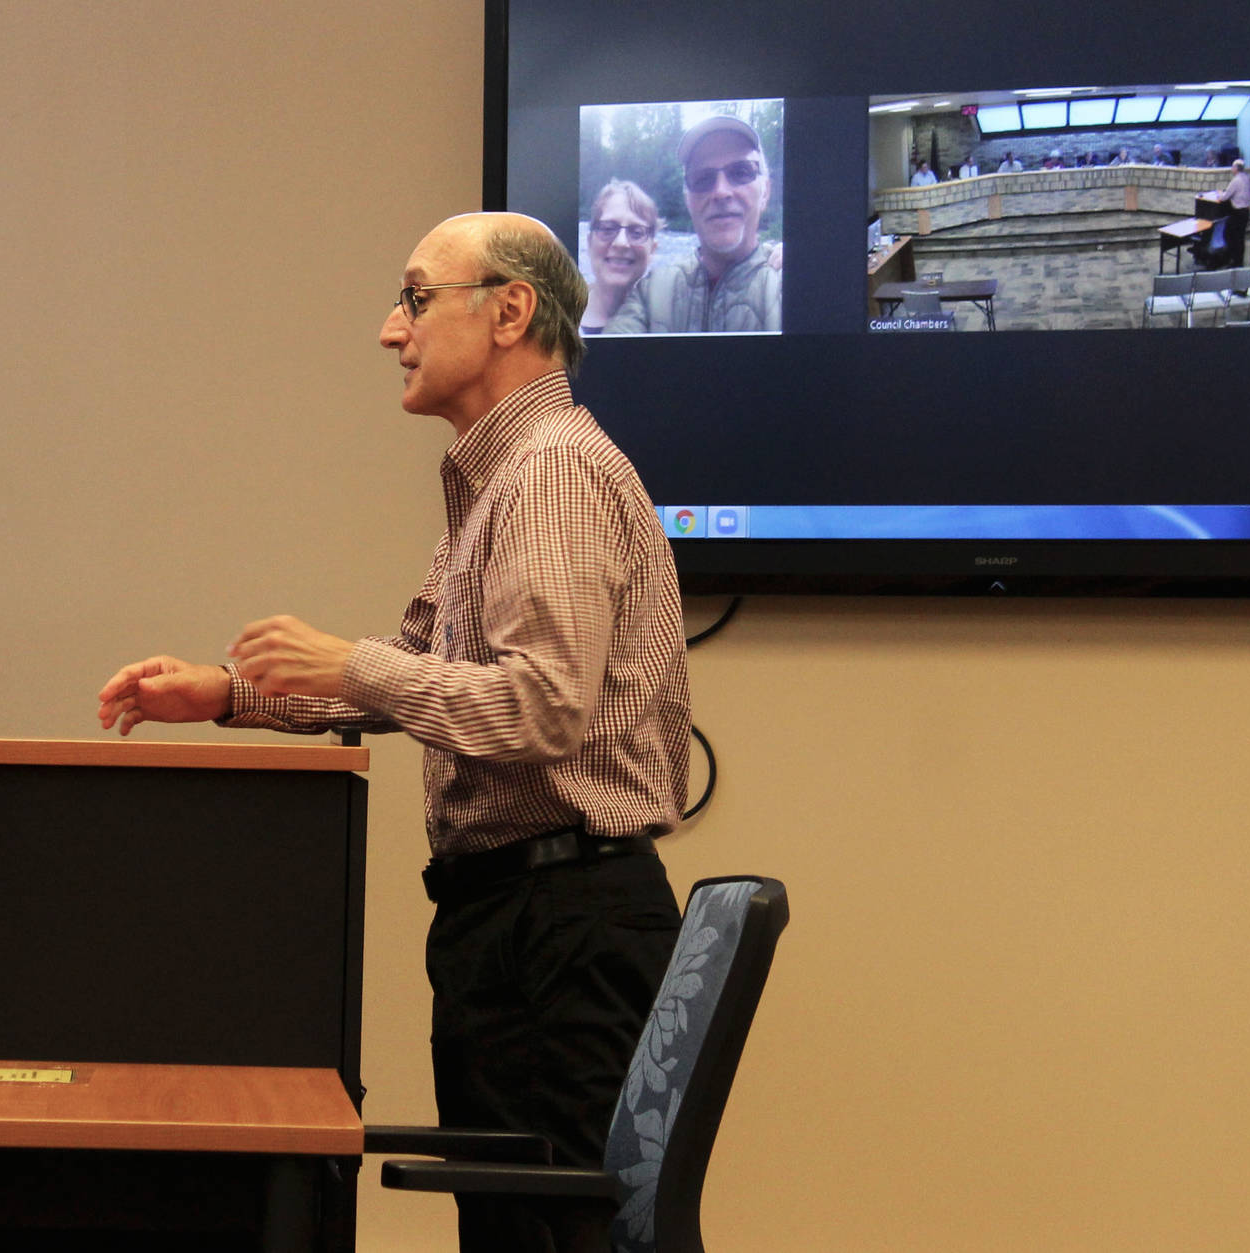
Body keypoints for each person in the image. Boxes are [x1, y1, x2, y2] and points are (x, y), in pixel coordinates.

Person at [98, 211, 689, 1253]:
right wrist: (230, 696)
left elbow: (540, 707)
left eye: (415, 297)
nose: (389, 329)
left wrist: (348, 662)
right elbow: (418, 675)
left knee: (548, 1240)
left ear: (509, 310)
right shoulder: (495, 476)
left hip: (560, 924)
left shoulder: (549, 469)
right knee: (510, 1232)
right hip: (518, 917)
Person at [607, 115, 783, 333]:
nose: (721, 192)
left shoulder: (792, 285)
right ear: (688, 199)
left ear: (765, 191)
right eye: (702, 178)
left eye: (740, 172)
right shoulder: (650, 295)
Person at [580, 178, 660, 334]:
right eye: (608, 229)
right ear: (589, 242)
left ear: (652, 249)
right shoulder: (557, 318)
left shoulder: (668, 323)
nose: (621, 243)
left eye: (636, 232)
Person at [1222, 158, 1250, 270]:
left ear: (1236, 168)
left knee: (1230, 236)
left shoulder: (1236, 180)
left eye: (1232, 167)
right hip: (1246, 212)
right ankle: (1239, 262)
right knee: (1240, 238)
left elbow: (1225, 196)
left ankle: (1233, 261)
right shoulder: (1247, 178)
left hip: (1237, 213)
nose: (1231, 169)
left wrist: (1219, 195)